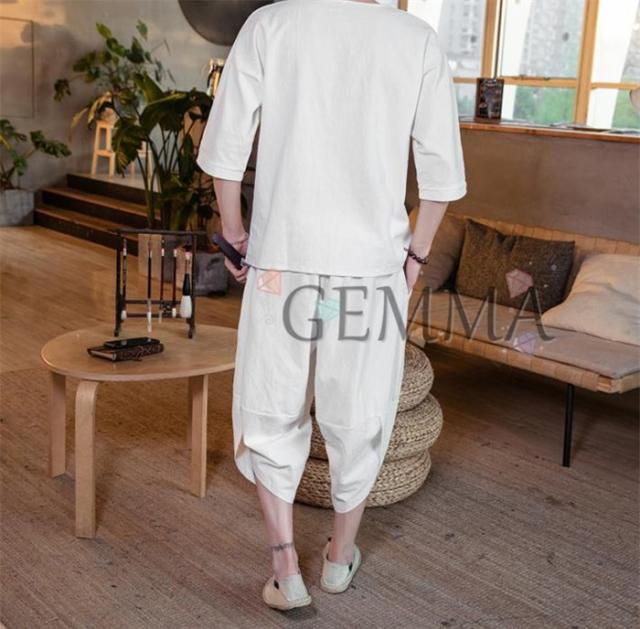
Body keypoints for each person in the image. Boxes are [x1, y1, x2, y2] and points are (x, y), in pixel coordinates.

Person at [196, 0, 466, 611]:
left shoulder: (270, 24)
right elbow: (441, 175)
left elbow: (225, 146)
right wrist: (415, 257)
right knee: (361, 411)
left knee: (271, 407)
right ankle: (340, 558)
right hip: (372, 268)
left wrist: (235, 233)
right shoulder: (414, 39)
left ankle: (284, 568)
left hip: (281, 261)